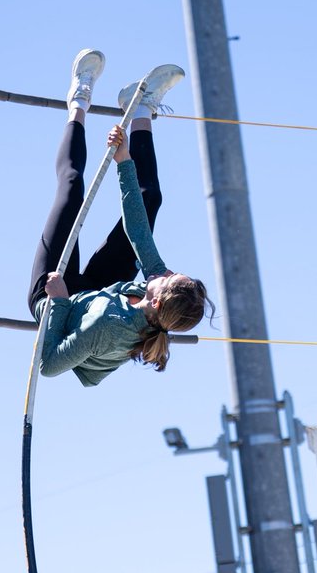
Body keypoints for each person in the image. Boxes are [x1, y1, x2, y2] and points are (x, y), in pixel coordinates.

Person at [27, 49, 214, 387]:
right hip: (100, 293)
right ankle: (140, 107)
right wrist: (123, 161)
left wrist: (56, 302)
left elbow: (50, 364)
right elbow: (138, 230)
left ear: (157, 299)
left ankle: (78, 101)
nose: (165, 270)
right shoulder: (154, 289)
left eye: (169, 277)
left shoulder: (109, 330)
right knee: (150, 199)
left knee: (71, 192)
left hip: (63, 300)